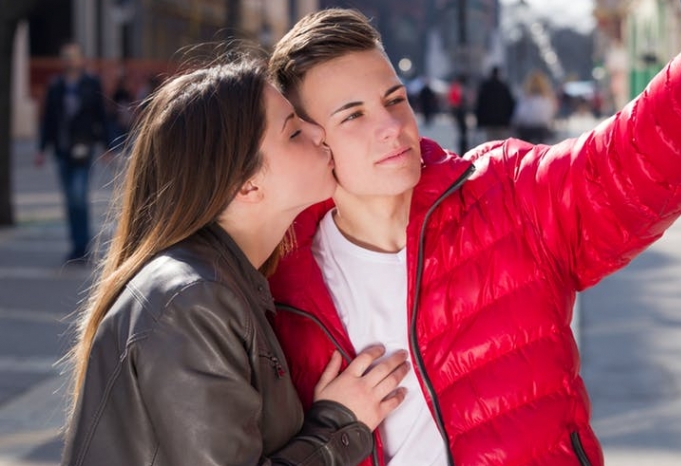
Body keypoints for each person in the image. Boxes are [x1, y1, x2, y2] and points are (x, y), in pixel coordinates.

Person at [267, 0, 681, 466]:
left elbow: (620, 166)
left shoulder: (503, 194)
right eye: (353, 115)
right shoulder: (278, 277)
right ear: (314, 139)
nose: (390, 126)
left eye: (393, 99)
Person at [61, 56, 410, 466]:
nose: (319, 132)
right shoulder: (191, 302)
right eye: (295, 131)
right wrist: (340, 423)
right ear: (246, 185)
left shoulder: (218, 284)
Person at [36, 42, 111, 263]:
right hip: (61, 149)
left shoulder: (91, 84)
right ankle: (76, 245)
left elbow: (101, 117)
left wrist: (106, 146)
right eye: (65, 57)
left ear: (81, 59)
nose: (69, 60)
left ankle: (83, 245)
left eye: (73, 56)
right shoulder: (56, 86)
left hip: (83, 148)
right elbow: (48, 120)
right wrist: (42, 149)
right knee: (69, 199)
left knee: (78, 196)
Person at [512, 68, 558, 144]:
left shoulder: (525, 99)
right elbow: (549, 115)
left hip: (526, 132)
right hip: (542, 131)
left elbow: (519, 115)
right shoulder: (547, 99)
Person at [475, 65, 516, 142]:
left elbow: (480, 105)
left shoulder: (485, 87)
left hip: (488, 122)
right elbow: (511, 104)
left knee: (491, 143)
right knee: (501, 144)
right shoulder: (504, 87)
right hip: (502, 123)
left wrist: (479, 122)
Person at [446, 74, 468, 155]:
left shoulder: (454, 86)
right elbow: (456, 100)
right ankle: (463, 148)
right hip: (459, 110)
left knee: (461, 130)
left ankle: (462, 147)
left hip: (457, 110)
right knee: (462, 130)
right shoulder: (457, 87)